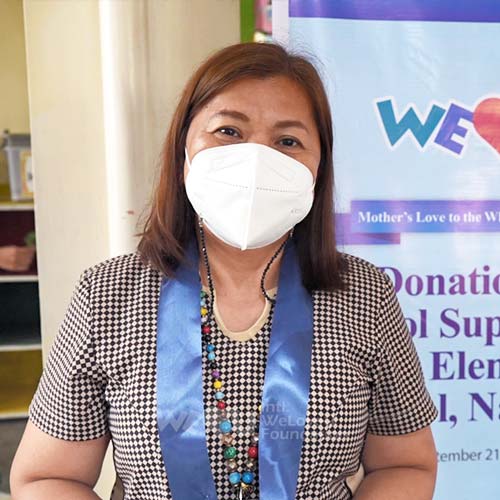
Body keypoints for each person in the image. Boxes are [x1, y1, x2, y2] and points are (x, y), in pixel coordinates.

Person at [10, 42, 438, 500]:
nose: (256, 160)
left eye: (287, 141)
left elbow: (406, 465)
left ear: (318, 168)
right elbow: (46, 477)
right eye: (228, 131)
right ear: (184, 154)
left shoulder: (364, 294)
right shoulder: (108, 294)